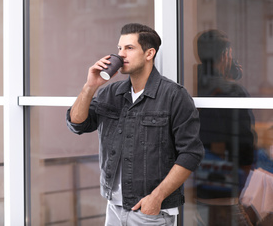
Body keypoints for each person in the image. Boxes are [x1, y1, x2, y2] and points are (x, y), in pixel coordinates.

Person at [66, 23, 204, 225]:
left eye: (129, 48)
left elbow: (191, 153)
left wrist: (156, 198)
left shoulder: (174, 95)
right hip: (113, 206)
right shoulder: (110, 93)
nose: (121, 55)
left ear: (149, 54)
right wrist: (90, 86)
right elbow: (77, 124)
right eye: (119, 48)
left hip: (150, 211)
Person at [195, 29, 256, 225]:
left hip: (198, 185)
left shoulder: (193, 84)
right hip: (225, 190)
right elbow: (246, 144)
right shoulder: (234, 92)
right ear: (226, 55)